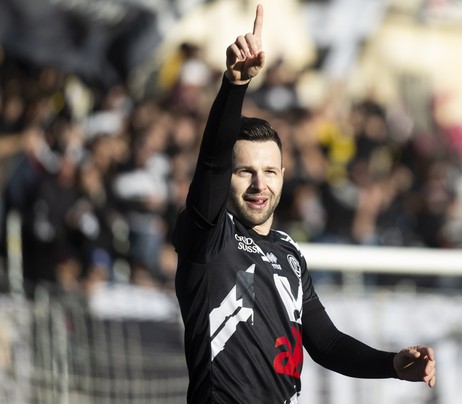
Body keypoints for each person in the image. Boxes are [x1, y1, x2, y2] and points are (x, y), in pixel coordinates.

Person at [172, 5, 436, 403]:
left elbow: (326, 343)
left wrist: (391, 365)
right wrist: (234, 86)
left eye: (270, 172)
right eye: (245, 171)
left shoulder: (290, 253)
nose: (259, 184)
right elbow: (211, 162)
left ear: (283, 176)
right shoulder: (209, 236)